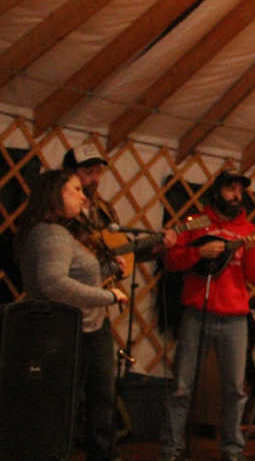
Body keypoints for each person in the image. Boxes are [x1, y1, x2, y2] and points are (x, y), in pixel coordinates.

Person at [15, 169, 128, 461]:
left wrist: (108, 270)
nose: (83, 196)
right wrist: (109, 296)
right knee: (70, 408)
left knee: (87, 404)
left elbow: (75, 278)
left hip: (80, 329)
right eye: (75, 189)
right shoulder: (52, 235)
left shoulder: (51, 232)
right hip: (68, 332)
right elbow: (54, 284)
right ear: (55, 195)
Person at [158, 170, 255, 461]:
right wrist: (199, 253)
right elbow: (171, 260)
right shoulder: (197, 223)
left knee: (235, 390)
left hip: (235, 319)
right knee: (181, 387)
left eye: (240, 191)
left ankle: (232, 451)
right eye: (230, 189)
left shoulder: (249, 231)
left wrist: (253, 249)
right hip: (197, 313)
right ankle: (171, 450)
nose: (236, 196)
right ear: (217, 191)